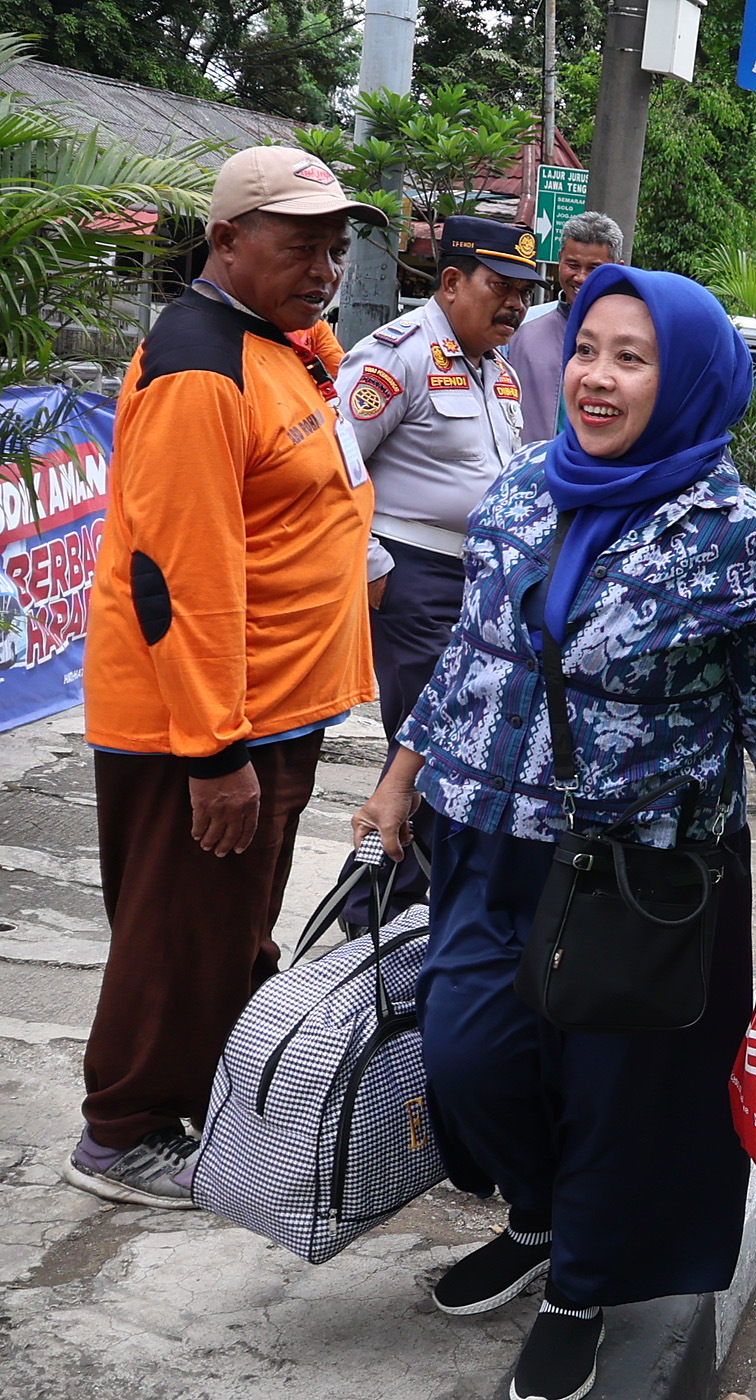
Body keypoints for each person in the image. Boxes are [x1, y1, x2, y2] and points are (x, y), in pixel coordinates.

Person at [352, 264, 756, 1400]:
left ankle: (581, 1283)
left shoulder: (740, 533)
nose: (596, 375)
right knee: (469, 1050)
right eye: (587, 348)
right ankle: (536, 1218)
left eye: (631, 357)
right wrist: (399, 781)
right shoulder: (525, 483)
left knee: (612, 1088)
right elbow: (473, 656)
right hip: (485, 828)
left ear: (681, 379)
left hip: (641, 858)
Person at [66, 146, 386, 1208]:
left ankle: (200, 1092)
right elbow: (178, 576)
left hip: (274, 707)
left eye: (336, 248)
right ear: (226, 242)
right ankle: (125, 1127)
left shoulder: (282, 345)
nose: (325, 268)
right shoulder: (201, 365)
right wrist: (216, 753)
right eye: (298, 246)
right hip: (201, 721)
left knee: (223, 926)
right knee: (175, 927)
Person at [337, 215, 537, 746]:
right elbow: (333, 473)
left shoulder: (499, 371)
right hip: (412, 573)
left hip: (480, 576)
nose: (515, 304)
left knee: (466, 739)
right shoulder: (395, 355)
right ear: (451, 283)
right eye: (501, 286)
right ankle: (393, 829)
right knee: (425, 739)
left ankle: (406, 831)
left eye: (524, 291)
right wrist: (377, 572)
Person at [505, 210, 623, 444]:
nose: (580, 277)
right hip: (531, 469)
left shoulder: (634, 336)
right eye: (572, 265)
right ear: (559, 259)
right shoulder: (521, 327)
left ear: (618, 267)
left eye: (594, 268)